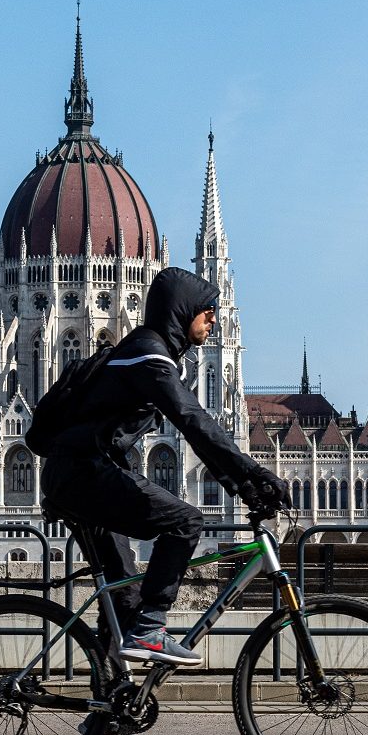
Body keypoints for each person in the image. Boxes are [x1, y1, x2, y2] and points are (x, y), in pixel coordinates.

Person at [40, 267, 289, 671]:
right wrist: (253, 477)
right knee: (187, 521)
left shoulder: (150, 351)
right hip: (81, 472)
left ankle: (108, 718)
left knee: (124, 600)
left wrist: (242, 479)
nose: (213, 319)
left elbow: (193, 423)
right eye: (206, 311)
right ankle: (150, 627)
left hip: (78, 472)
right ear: (182, 310)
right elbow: (192, 419)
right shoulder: (148, 354)